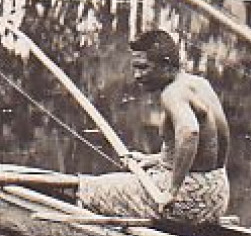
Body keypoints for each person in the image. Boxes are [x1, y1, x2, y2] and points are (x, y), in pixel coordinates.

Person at [77, 30, 232, 225]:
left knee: (92, 189)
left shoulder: (172, 93)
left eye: (143, 68)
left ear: (166, 65)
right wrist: (155, 160)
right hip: (216, 196)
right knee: (136, 178)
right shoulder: (200, 84)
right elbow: (214, 145)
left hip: (187, 200)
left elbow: (190, 132)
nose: (137, 76)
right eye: (135, 68)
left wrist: (172, 192)